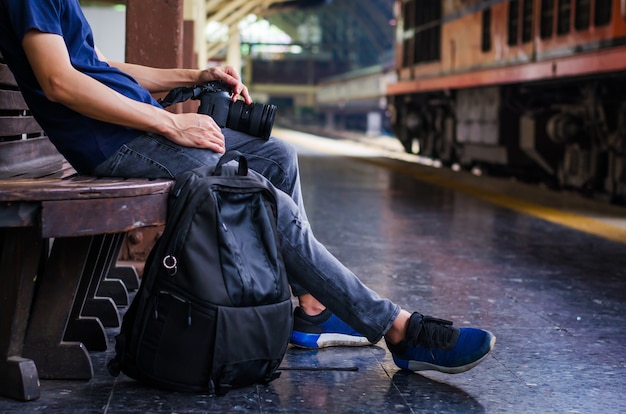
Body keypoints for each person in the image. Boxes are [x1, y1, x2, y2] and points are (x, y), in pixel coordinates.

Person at [0, 0, 495, 375]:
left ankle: (310, 309)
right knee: (258, 194)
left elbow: (102, 67)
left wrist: (194, 76)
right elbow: (59, 80)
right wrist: (169, 125)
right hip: (112, 144)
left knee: (278, 156)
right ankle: (398, 328)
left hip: (134, 131)